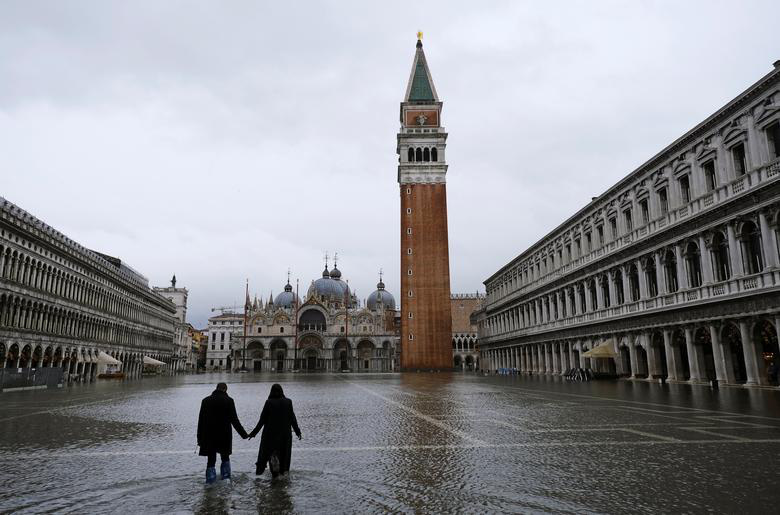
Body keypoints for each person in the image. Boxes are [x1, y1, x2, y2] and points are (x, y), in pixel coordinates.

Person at [197, 382, 248, 483]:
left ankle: (210, 482)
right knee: (225, 457)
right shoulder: (229, 401)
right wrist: (244, 435)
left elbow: (201, 421)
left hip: (209, 435)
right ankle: (226, 479)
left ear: (216, 388)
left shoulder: (205, 401)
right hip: (224, 435)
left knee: (211, 459)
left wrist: (199, 438)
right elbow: (234, 420)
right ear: (225, 390)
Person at [248, 383, 301, 478]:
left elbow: (262, 420)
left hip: (270, 435)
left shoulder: (269, 402)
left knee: (271, 454)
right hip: (285, 435)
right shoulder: (288, 402)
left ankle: (274, 475)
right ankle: (283, 474)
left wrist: (253, 433)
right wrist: (297, 432)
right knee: (284, 454)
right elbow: (293, 418)